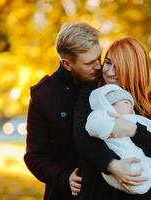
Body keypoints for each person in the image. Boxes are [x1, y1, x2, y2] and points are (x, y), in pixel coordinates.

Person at [73, 37, 151, 200]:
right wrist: (113, 165)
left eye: (118, 67)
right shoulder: (93, 95)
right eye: (108, 62)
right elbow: (82, 137)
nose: (110, 72)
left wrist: (134, 130)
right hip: (98, 191)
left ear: (134, 69)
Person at [24, 22, 103, 200]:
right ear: (67, 64)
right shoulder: (43, 96)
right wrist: (64, 177)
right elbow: (35, 156)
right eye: (90, 62)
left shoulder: (111, 78)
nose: (98, 66)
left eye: (100, 57)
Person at [85, 84, 151, 194]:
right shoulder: (101, 113)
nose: (131, 106)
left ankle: (140, 182)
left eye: (131, 104)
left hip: (143, 181)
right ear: (111, 105)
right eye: (126, 103)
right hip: (103, 187)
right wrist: (111, 164)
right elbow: (86, 135)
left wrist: (134, 130)